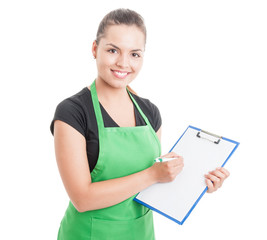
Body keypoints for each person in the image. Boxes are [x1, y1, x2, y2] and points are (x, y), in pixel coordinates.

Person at [50, 8, 230, 240]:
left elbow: (150, 189)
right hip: (89, 234)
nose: (123, 63)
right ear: (95, 49)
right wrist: (153, 175)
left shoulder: (149, 112)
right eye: (113, 50)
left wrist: (198, 183)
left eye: (135, 54)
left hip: (140, 233)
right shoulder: (72, 112)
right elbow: (82, 199)